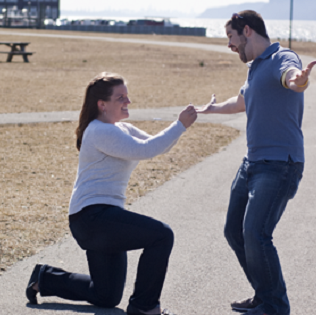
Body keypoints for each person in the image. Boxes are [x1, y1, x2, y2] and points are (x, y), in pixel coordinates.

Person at [25, 72, 197, 315]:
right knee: (161, 235)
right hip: (93, 218)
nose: (128, 102)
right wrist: (180, 125)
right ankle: (144, 307)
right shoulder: (99, 131)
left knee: (105, 295)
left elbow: (157, 145)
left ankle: (44, 279)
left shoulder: (120, 128)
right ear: (102, 105)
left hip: (101, 219)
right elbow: (147, 149)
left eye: (127, 96)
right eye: (121, 98)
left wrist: (182, 127)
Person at [196, 10, 316, 315]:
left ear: (247, 31)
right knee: (234, 231)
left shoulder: (282, 59)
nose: (229, 45)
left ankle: (275, 306)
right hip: (252, 164)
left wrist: (299, 81)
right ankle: (265, 295)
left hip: (279, 165)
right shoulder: (256, 68)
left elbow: (292, 78)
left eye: (231, 37)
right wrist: (211, 109)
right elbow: (241, 101)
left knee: (256, 233)